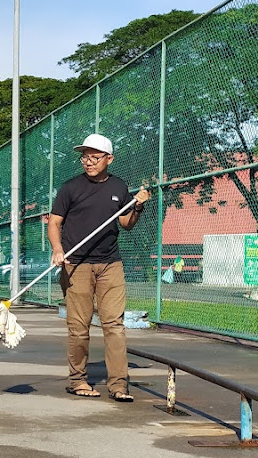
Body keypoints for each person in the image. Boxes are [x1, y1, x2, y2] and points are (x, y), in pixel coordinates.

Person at [47, 133, 150, 402]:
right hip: (76, 264)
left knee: (114, 325)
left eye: (94, 157)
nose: (88, 162)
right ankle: (77, 380)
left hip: (110, 264)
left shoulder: (118, 186)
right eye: (85, 157)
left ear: (109, 159)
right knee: (79, 327)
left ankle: (118, 385)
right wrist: (57, 249)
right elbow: (54, 222)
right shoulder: (71, 188)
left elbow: (126, 223)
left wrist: (138, 206)